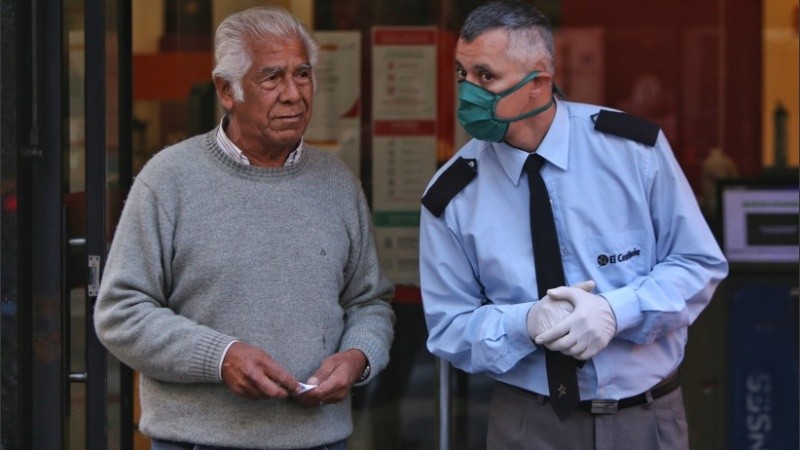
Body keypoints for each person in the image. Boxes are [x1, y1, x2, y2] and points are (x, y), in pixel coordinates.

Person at [418, 1, 728, 449]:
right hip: (529, 423)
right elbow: (449, 327)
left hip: (644, 418)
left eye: (486, 77)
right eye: (462, 74)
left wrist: (617, 311)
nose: (468, 93)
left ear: (538, 82)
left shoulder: (632, 152)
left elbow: (697, 263)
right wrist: (525, 321)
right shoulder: (452, 194)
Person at [94, 7, 394, 450]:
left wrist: (359, 357)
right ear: (226, 90)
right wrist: (219, 358)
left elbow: (369, 302)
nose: (293, 94)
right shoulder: (169, 179)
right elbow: (120, 312)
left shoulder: (337, 183)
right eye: (271, 77)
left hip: (320, 440)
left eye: (303, 74)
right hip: (196, 442)